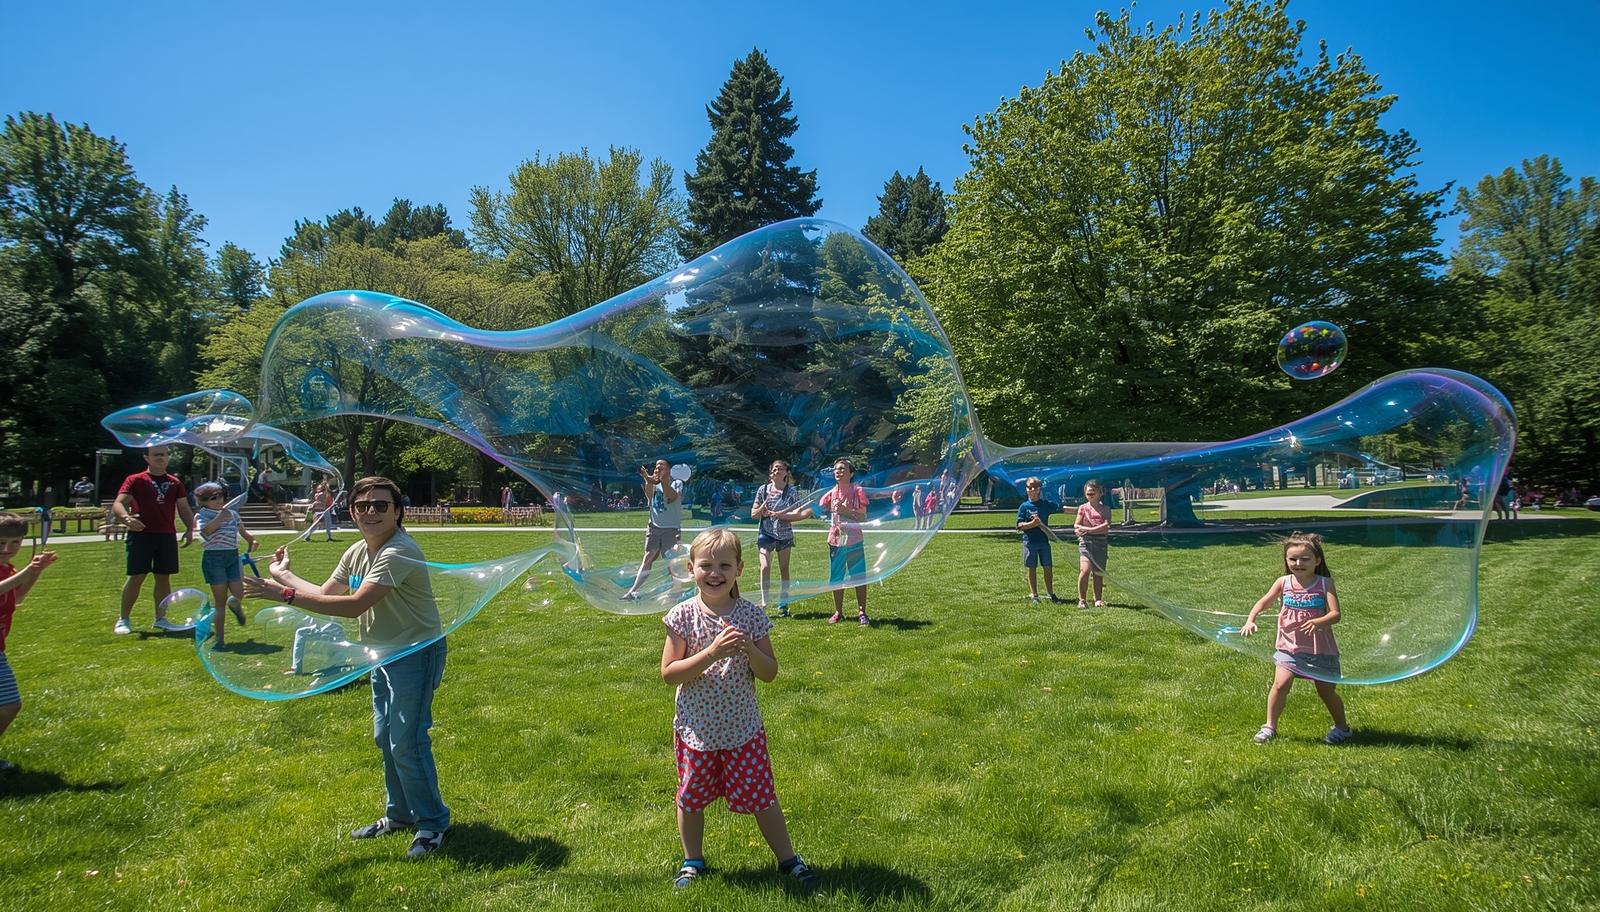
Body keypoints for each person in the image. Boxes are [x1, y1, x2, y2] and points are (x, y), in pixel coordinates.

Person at [242, 476, 450, 858]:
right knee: (385, 737)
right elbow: (326, 595)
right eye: (362, 506)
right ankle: (400, 815)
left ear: (397, 511)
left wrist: (283, 594)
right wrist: (283, 575)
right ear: (352, 512)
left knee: (407, 742)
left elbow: (355, 605)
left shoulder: (399, 550)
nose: (371, 512)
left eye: (381, 505)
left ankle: (433, 823)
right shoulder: (356, 551)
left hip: (415, 653)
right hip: (382, 653)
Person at [659, 527, 818, 891]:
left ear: (739, 569)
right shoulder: (682, 616)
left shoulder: (751, 616)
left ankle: (789, 860)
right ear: (691, 569)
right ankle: (692, 862)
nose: (715, 573)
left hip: (742, 729)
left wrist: (749, 647)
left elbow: (770, 673)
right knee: (691, 798)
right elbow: (669, 674)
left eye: (724, 566)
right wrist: (711, 653)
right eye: (706, 565)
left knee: (762, 797)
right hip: (697, 731)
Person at [1240, 531, 1352, 745]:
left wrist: (1319, 622)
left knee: (1326, 692)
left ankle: (1342, 728)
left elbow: (1335, 614)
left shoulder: (1324, 584)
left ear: (1317, 560)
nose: (1298, 563)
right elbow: (1263, 602)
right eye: (1292, 559)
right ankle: (1269, 726)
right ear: (1286, 560)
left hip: (1320, 650)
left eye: (1305, 559)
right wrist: (1250, 620)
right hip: (1289, 647)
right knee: (1280, 685)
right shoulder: (1283, 582)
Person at [111, 446, 196, 634]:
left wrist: (190, 529)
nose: (161, 458)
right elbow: (119, 503)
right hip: (141, 534)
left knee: (163, 577)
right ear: (146, 457)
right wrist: (126, 518)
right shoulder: (135, 479)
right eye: (156, 454)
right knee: (136, 576)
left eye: (164, 454)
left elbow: (183, 508)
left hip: (166, 535)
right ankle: (123, 619)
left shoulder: (175, 482)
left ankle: (161, 619)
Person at [0, 512, 58, 776]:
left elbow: (18, 596)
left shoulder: (7, 569)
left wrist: (36, 572)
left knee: (9, 704)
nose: (7, 549)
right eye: (1, 542)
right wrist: (27, 570)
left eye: (15, 542)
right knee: (9, 704)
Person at [194, 482, 258, 648]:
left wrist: (251, 541)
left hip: (232, 556)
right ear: (202, 501)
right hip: (213, 558)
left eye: (220, 496)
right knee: (220, 602)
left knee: (238, 593)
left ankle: (235, 606)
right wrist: (220, 517)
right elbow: (205, 532)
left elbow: (242, 531)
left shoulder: (233, 514)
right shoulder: (202, 515)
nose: (219, 500)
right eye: (213, 498)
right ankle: (220, 640)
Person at [817, 458, 869, 626]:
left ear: (851, 473)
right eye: (836, 469)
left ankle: (862, 612)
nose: (838, 472)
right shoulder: (831, 493)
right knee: (836, 577)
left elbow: (863, 517)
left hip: (854, 540)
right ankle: (838, 612)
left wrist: (846, 511)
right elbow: (820, 506)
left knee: (858, 576)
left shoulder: (857, 491)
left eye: (842, 469)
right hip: (836, 540)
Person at [622, 460, 683, 601]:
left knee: (671, 560)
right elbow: (649, 496)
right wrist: (648, 480)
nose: (657, 469)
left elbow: (670, 497)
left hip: (671, 529)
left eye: (661, 467)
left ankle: (676, 591)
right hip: (654, 527)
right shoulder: (654, 484)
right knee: (648, 557)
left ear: (669, 470)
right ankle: (632, 591)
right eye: (656, 467)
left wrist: (663, 481)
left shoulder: (677, 483)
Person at [751, 459, 805, 618]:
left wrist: (781, 515)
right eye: (774, 469)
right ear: (770, 473)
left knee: (784, 568)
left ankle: (783, 603)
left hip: (784, 534)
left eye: (780, 469)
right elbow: (753, 514)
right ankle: (764, 601)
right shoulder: (763, 490)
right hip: (766, 533)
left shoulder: (791, 491)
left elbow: (799, 513)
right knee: (765, 566)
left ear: (786, 473)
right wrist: (763, 508)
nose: (777, 471)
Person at [1016, 477, 1061, 603]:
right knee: (1031, 568)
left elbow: (1060, 507)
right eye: (1030, 488)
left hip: (1044, 542)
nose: (1032, 490)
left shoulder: (1045, 504)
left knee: (1048, 567)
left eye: (1035, 488)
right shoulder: (1024, 507)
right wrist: (1032, 524)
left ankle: (1050, 593)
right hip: (1030, 542)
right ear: (1026, 489)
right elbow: (1019, 525)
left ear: (1040, 489)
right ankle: (1034, 595)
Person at [1074, 479, 1111, 608]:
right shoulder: (1083, 508)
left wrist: (1088, 530)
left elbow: (1106, 527)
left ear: (1100, 493)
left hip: (1101, 543)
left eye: (1093, 492)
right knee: (1085, 570)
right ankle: (1082, 600)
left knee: (1098, 572)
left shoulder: (1105, 509)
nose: (1091, 495)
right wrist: (1082, 530)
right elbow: (1076, 525)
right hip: (1086, 543)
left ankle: (1098, 599)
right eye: (1088, 493)